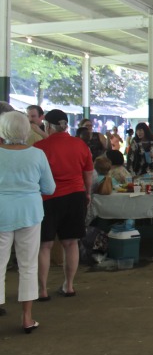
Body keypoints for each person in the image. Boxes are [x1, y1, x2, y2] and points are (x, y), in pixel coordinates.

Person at [0, 111, 56, 333]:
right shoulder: (37, 155)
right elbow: (49, 188)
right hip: (29, 214)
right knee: (28, 265)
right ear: (27, 130)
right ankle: (26, 317)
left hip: (2, 213)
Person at [35, 109, 93, 300]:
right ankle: (69, 286)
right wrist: (88, 193)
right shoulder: (80, 145)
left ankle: (42, 290)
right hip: (76, 195)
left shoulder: (39, 147)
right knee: (71, 242)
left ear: (49, 126)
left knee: (45, 245)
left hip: (47, 198)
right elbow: (88, 173)